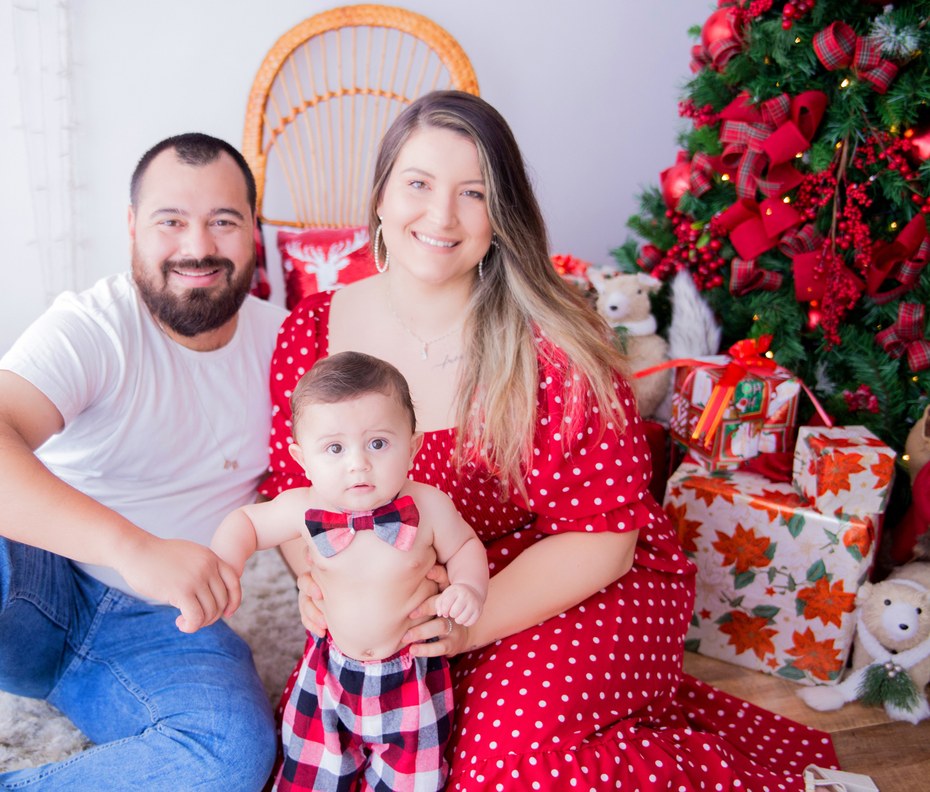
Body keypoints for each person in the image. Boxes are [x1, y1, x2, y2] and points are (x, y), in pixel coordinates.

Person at [261, 91, 837, 792]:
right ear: (381, 193)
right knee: (329, 759)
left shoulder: (554, 347)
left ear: (502, 215)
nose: (441, 216)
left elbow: (604, 537)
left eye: (473, 193)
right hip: (416, 595)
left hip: (575, 574)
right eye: (417, 183)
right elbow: (288, 492)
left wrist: (469, 629)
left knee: (505, 768)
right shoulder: (314, 333)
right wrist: (317, 579)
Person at [0, 133, 285, 792]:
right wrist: (133, 548)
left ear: (253, 233)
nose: (198, 246)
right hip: (39, 594)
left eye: (224, 221)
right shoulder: (93, 325)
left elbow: (321, 482)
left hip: (168, 626)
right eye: (171, 221)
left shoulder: (286, 344)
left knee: (230, 753)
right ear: (131, 230)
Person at [210, 351, 488, 792]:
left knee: (412, 779)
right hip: (329, 674)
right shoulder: (304, 507)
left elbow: (466, 546)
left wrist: (470, 586)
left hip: (411, 676)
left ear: (413, 445)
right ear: (301, 458)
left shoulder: (429, 506)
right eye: (334, 448)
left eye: (378, 443)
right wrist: (225, 563)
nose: (357, 463)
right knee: (310, 773)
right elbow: (245, 522)